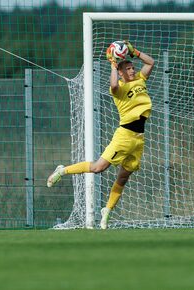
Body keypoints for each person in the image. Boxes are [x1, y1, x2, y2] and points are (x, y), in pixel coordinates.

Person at [47, 40, 155, 229]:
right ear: (121, 72)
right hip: (125, 136)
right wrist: (114, 65)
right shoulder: (119, 89)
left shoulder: (140, 79)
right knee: (98, 167)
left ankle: (107, 211)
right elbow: (113, 85)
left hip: (139, 139)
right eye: (127, 69)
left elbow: (151, 63)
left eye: (131, 68)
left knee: (123, 177)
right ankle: (62, 170)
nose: (131, 70)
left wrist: (133, 51)